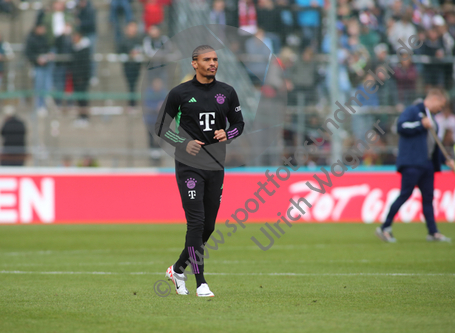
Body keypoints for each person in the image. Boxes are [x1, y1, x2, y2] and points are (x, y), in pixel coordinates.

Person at [156, 45, 244, 297]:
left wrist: (228, 133)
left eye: (215, 59)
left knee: (209, 226)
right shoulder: (179, 93)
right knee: (195, 223)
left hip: (216, 165)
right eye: (207, 59)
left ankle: (177, 269)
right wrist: (184, 143)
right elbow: (160, 126)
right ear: (194, 63)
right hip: (188, 166)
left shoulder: (227, 92)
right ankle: (201, 282)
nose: (212, 63)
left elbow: (239, 124)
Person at [376, 89, 455, 243]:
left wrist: (446, 160)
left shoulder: (432, 118)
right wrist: (420, 124)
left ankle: (433, 232)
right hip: (412, 162)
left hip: (427, 164)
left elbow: (433, 145)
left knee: (428, 198)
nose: (441, 108)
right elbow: (401, 127)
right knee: (405, 194)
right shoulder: (414, 111)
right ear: (433, 99)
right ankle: (385, 227)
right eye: (440, 104)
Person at [25, 24, 53, 115]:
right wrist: (37, 59)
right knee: (38, 86)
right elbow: (28, 53)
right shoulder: (31, 39)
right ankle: (38, 106)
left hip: (46, 66)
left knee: (47, 86)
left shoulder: (45, 38)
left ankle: (45, 105)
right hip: (37, 67)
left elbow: (49, 49)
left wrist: (49, 55)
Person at [119, 22, 142, 110]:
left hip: (136, 66)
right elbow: (120, 51)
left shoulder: (138, 40)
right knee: (130, 84)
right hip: (128, 66)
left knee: (134, 84)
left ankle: (133, 103)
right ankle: (131, 103)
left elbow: (141, 49)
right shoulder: (123, 41)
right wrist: (129, 54)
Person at [71, 30, 91, 127]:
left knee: (83, 99)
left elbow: (85, 65)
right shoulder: (74, 48)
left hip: (82, 78)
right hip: (76, 77)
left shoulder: (85, 49)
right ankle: (80, 116)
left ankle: (84, 117)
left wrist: (81, 77)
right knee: (78, 98)